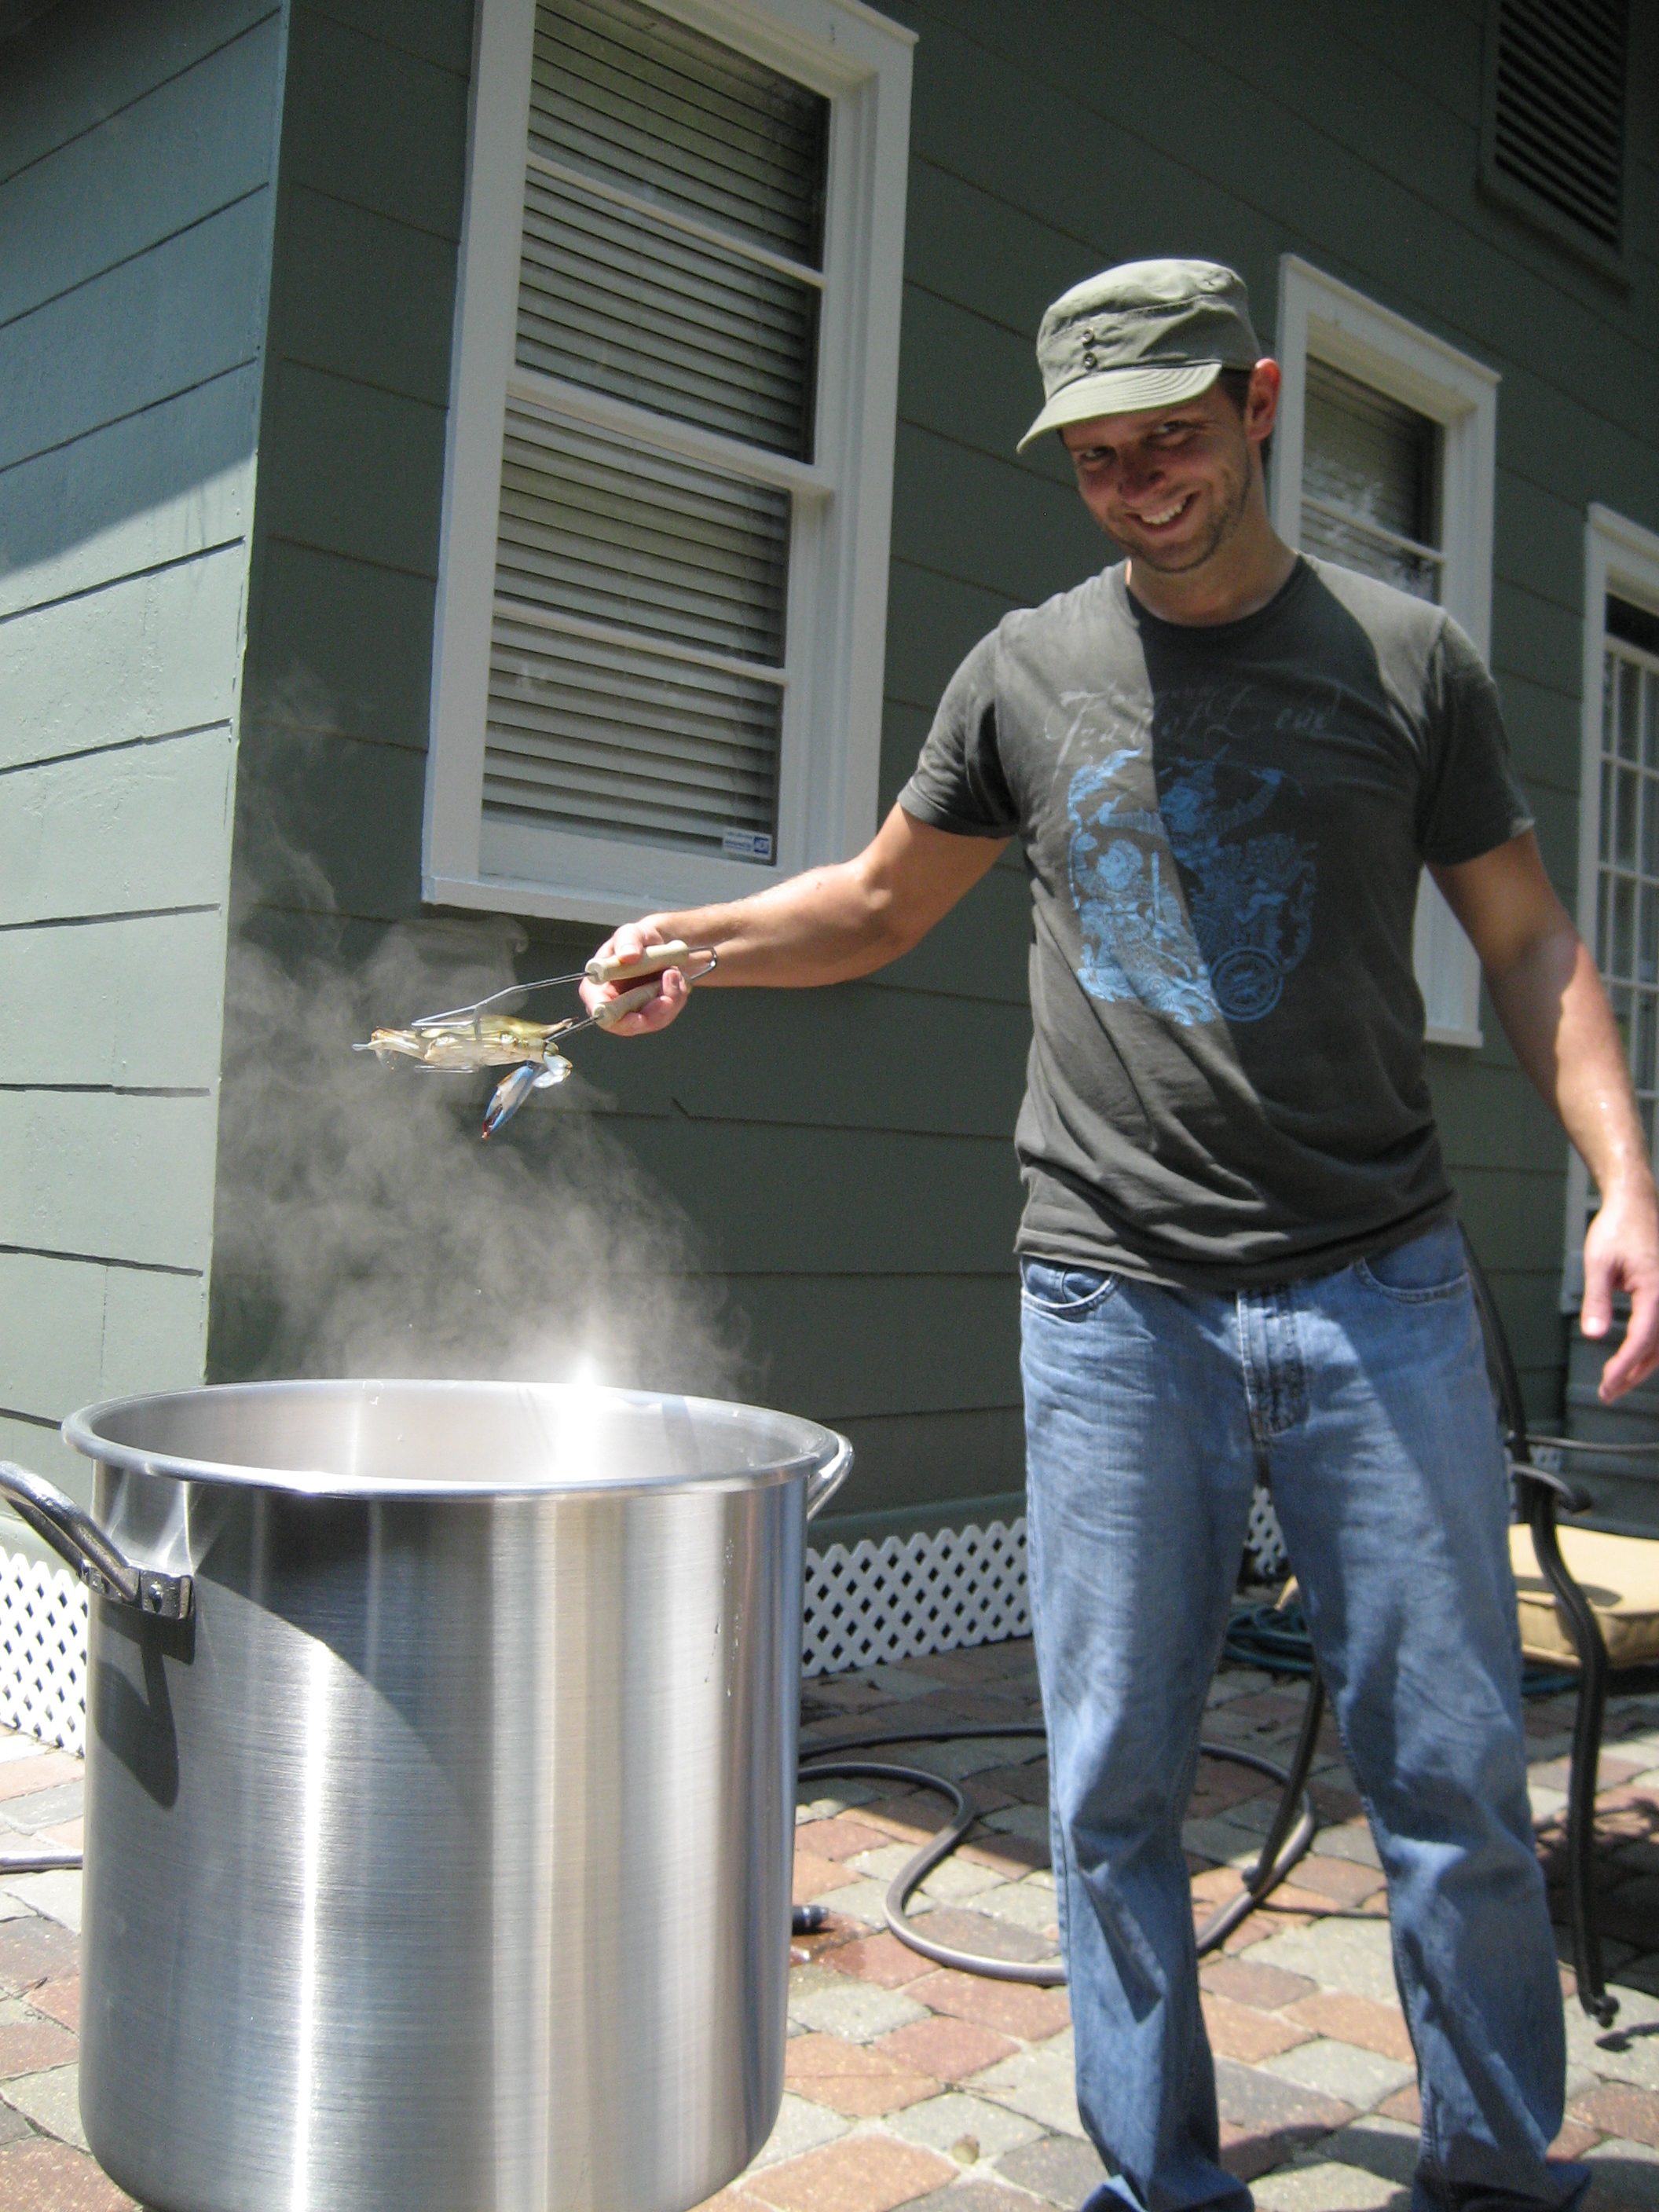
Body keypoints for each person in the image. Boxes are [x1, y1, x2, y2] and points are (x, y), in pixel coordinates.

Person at [580, 260, 1659, 2212]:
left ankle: (1498, 2170)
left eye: (1172, 434)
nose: (1141, 480)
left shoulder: (1408, 660)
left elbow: (1528, 940)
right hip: (1113, 1303)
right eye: (1097, 456)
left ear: (1260, 403)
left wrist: (1627, 1177)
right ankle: (1162, 2183)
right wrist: (691, 946)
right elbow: (880, 903)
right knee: (1112, 1784)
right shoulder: (1024, 670)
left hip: (1379, 1284)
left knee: (1450, 1774)